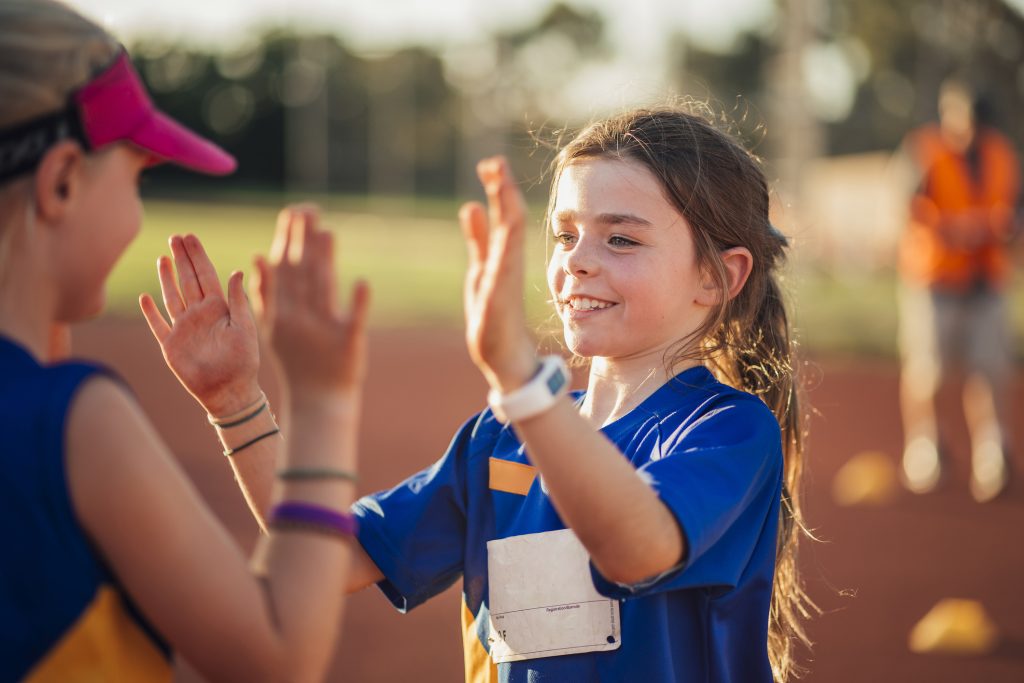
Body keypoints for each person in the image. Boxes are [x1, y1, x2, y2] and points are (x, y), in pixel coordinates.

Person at [153, 107, 814, 682]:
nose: (577, 259)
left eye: (621, 237)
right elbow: (328, 557)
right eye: (564, 233)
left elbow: (635, 549)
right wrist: (236, 402)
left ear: (717, 277)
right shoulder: (499, 438)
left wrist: (524, 385)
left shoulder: (728, 431)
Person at [0, 2, 371, 681]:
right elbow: (279, 654)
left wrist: (234, 399)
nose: (140, 208)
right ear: (60, 182)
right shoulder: (76, 420)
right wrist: (322, 399)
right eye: (137, 176)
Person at [896, 77, 1020, 502]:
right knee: (927, 370)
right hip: (935, 279)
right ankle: (926, 446)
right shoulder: (925, 151)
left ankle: (992, 453)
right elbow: (906, 208)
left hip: (986, 280)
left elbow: (1015, 209)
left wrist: (1005, 230)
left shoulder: (1001, 155)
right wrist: (957, 229)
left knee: (989, 369)